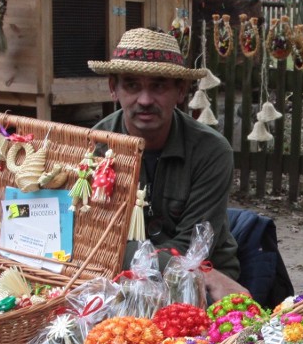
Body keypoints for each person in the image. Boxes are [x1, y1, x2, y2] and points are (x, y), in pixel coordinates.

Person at [88, 28, 248, 301]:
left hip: (200, 277)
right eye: (132, 85)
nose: (145, 100)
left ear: (181, 91)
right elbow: (94, 241)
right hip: (118, 276)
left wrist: (203, 273)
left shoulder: (211, 152)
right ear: (113, 88)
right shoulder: (96, 147)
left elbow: (191, 250)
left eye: (159, 85)